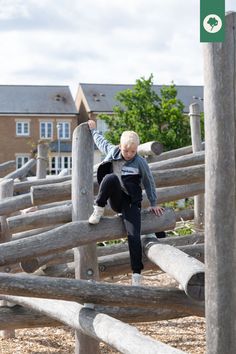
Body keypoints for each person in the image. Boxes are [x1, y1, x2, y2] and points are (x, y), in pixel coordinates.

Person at [87, 120, 164, 286]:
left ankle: (136, 274)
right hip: (115, 199)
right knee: (110, 178)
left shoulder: (140, 162)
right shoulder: (112, 152)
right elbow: (101, 142)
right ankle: (98, 209)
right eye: (126, 150)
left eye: (133, 151)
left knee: (134, 236)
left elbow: (149, 182)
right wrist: (94, 130)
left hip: (131, 203)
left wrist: (153, 202)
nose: (129, 154)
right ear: (120, 146)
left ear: (137, 150)